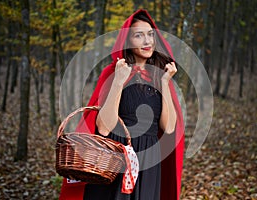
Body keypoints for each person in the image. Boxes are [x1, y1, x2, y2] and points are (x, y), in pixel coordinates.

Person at [58, 9, 185, 200]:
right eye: (138, 35)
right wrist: (118, 81)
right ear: (127, 41)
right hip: (115, 159)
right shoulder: (113, 72)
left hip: (149, 161)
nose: (147, 41)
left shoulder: (160, 76)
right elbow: (103, 127)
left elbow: (168, 127)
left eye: (150, 34)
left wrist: (166, 82)